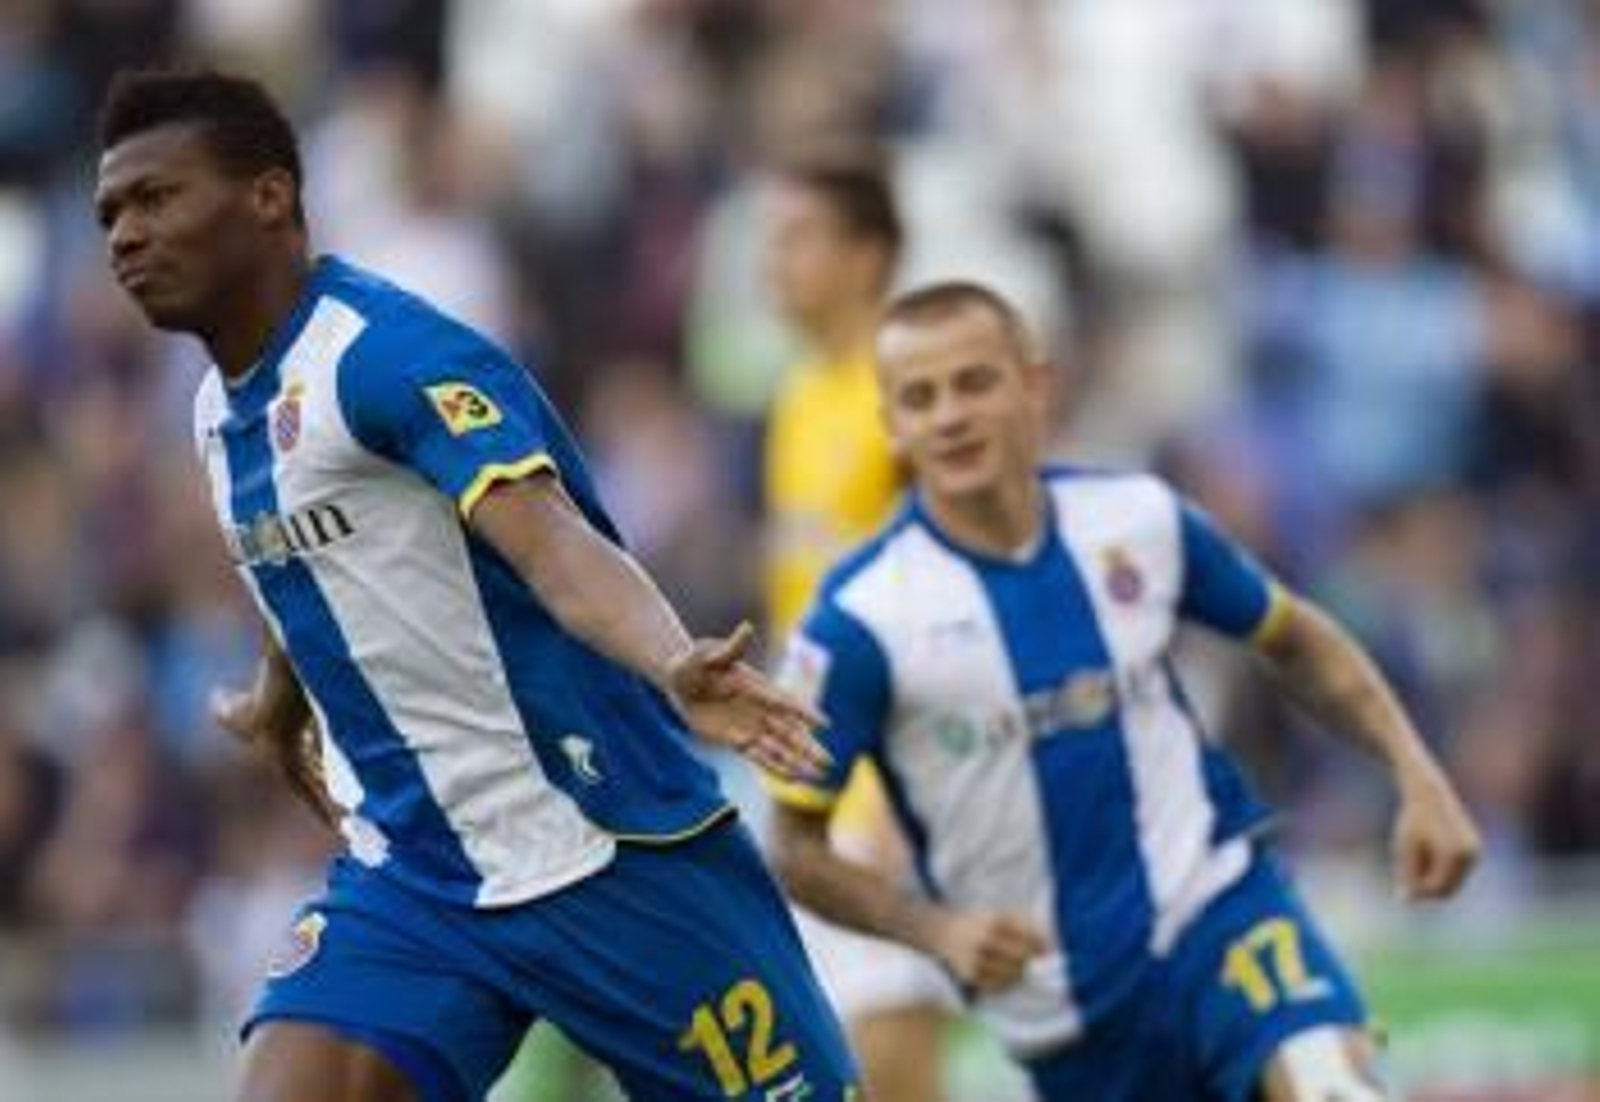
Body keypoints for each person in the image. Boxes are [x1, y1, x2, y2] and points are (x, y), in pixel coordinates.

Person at [94, 66, 859, 1102]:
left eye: (155, 198)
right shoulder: (213, 413)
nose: (124, 236)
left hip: (607, 843)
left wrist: (672, 658)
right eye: (108, 213)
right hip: (419, 873)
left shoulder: (388, 356)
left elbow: (551, 546)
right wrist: (283, 696)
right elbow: (327, 552)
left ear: (268, 195)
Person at [766, 280, 1482, 1102]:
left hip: (1216, 911)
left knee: (1332, 1086)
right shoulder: (857, 620)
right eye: (920, 398)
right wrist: (936, 932)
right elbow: (795, 846)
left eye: (974, 382)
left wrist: (1415, 772)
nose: (950, 416)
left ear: (1035, 386)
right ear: (891, 425)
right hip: (1068, 1013)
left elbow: (1292, 637)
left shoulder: (1137, 520)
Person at [758, 153, 958, 1102]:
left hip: (896, 782)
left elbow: (957, 589)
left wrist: (902, 791)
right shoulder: (801, 398)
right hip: (814, 779)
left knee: (891, 1063)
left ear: (868, 254)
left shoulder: (913, 395)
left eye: (798, 238)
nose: (773, 262)